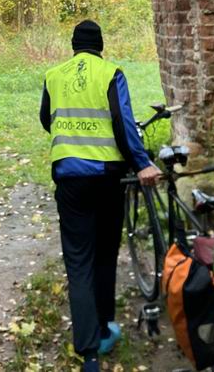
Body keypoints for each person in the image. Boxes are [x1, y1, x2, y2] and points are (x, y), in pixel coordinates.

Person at [40, 19, 162, 372]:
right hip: (108, 178)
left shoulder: (54, 75)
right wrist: (142, 163)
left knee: (79, 261)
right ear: (101, 45)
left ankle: (89, 353)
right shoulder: (111, 73)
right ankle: (106, 325)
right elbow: (123, 123)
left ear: (73, 45)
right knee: (106, 253)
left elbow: (47, 119)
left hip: (69, 178)